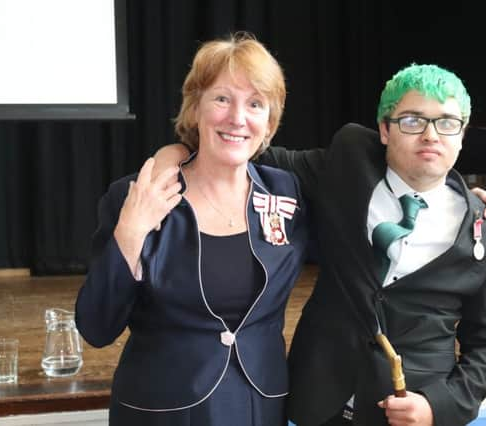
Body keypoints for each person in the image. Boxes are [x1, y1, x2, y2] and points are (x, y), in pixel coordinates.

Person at [153, 63, 486, 426]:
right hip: (319, 398)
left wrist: (441, 405)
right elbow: (246, 152)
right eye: (412, 120)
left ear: (462, 134)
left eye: (447, 122)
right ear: (385, 130)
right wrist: (176, 155)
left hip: (411, 409)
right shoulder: (347, 162)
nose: (431, 135)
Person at [75, 33, 309, 426]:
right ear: (195, 107)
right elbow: (97, 328)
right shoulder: (136, 195)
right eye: (222, 98)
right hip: (163, 411)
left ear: (270, 121)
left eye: (255, 104)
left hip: (260, 405)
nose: (237, 117)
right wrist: (132, 229)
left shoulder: (287, 192)